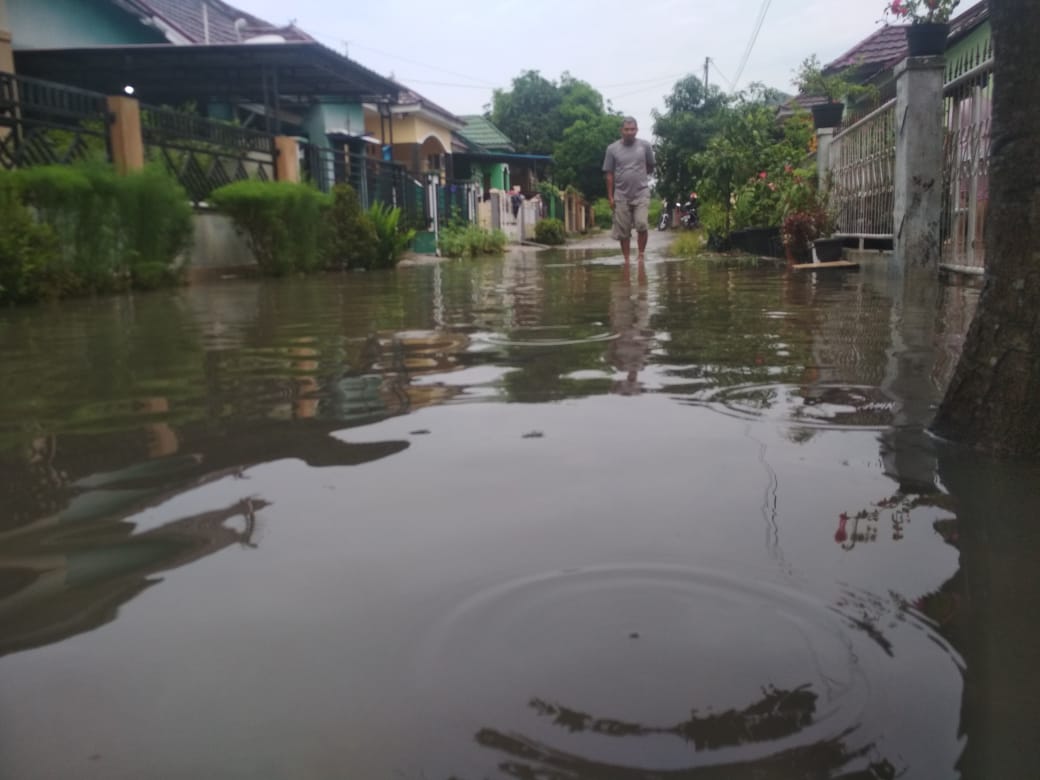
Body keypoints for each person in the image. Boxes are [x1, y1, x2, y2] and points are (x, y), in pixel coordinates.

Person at [602, 116, 655, 266]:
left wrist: (640, 175)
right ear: (621, 131)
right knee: (623, 231)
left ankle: (641, 256)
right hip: (621, 195)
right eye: (627, 129)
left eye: (633, 129)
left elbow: (651, 166)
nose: (630, 132)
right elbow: (609, 174)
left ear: (637, 130)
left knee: (642, 224)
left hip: (641, 193)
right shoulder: (612, 149)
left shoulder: (645, 146)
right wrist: (610, 197)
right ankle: (626, 259)